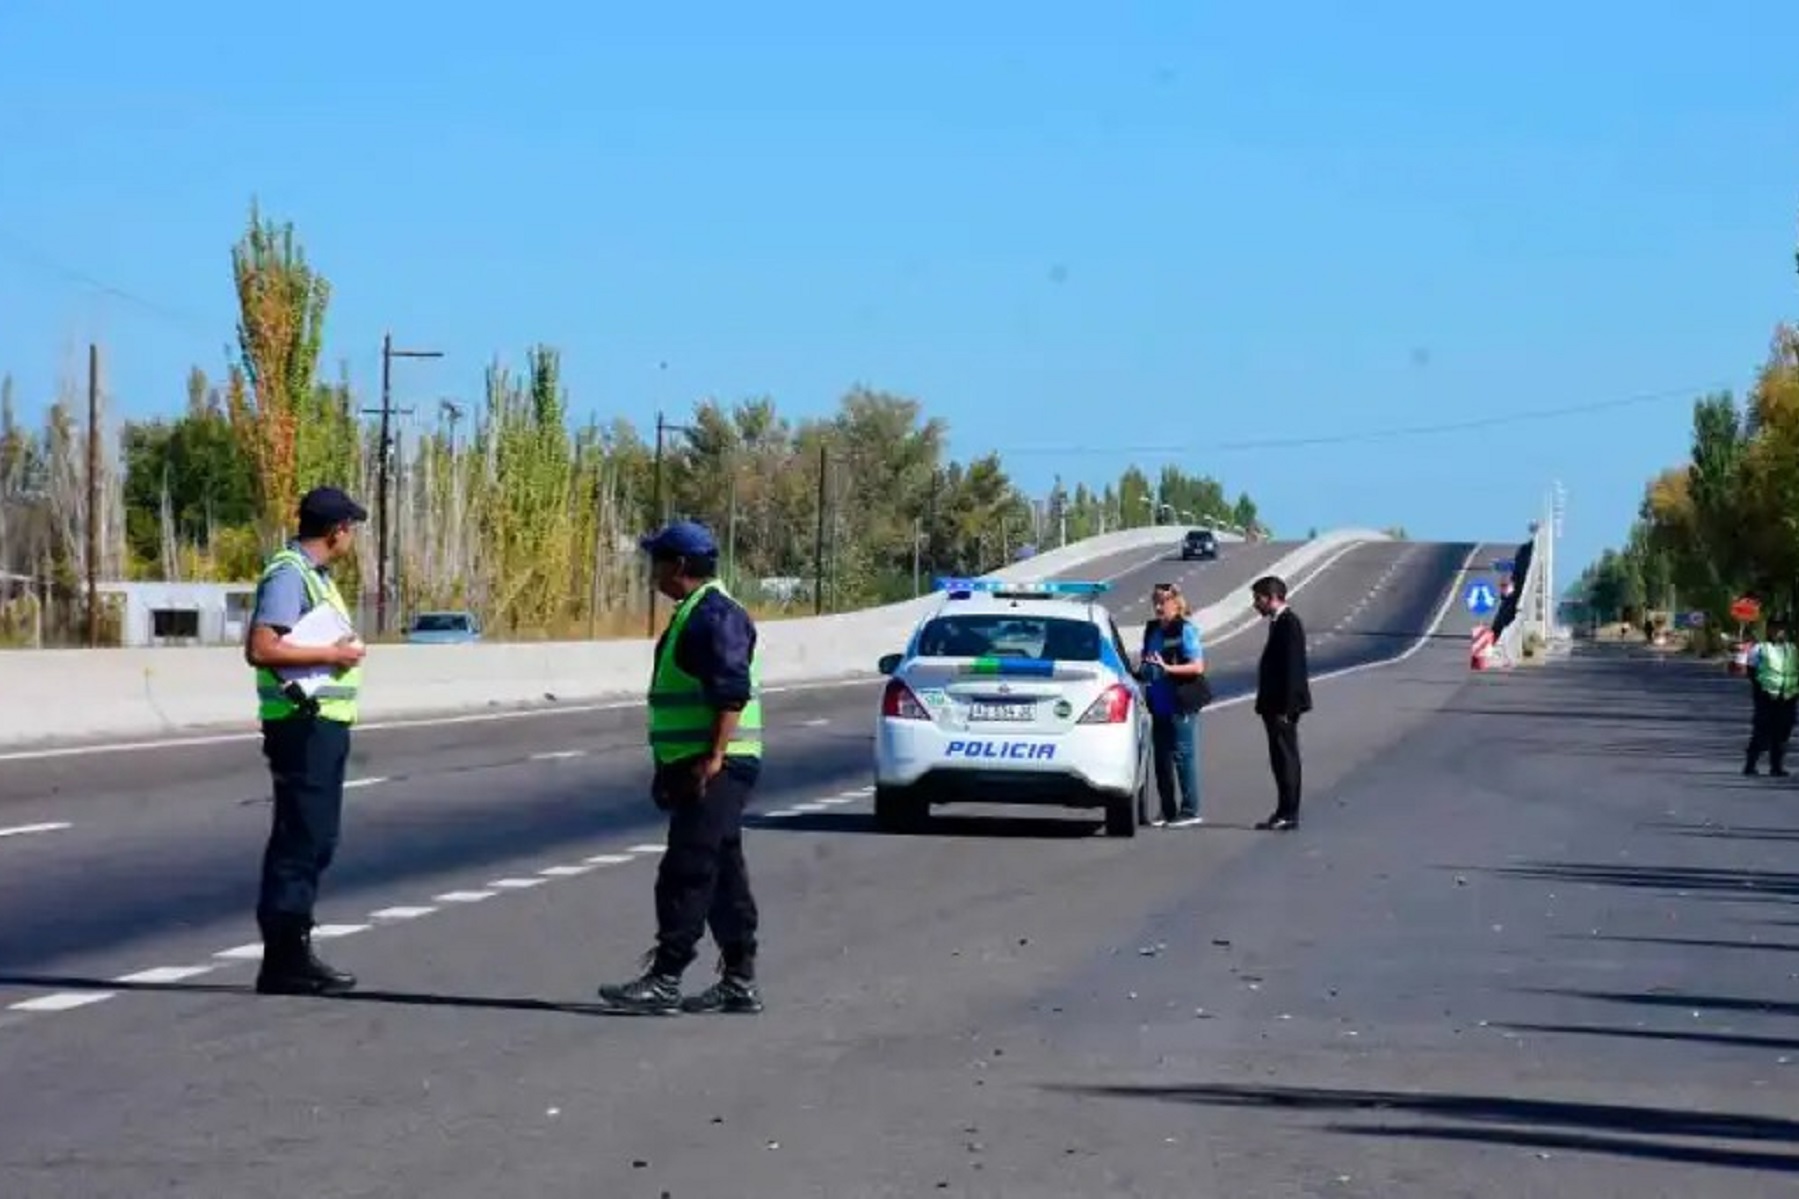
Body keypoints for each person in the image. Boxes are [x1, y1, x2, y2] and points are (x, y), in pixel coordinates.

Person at [596, 519, 766, 1016]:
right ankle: (739, 978)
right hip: (700, 761)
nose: (653, 570)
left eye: (658, 560)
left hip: (719, 764)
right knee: (723, 870)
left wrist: (713, 757)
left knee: (687, 868)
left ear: (681, 565)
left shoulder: (713, 615)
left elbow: (731, 690)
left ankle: (665, 978)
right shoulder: (696, 611)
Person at [242, 486, 369, 995]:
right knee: (302, 837)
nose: (352, 537)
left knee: (315, 837)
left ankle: (292, 951)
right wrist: (332, 655)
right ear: (337, 531)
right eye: (350, 529)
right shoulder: (289, 574)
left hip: (321, 722)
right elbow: (261, 647)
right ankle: (284, 958)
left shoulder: (314, 578)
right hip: (301, 721)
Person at [1140, 582, 1207, 826]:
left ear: (1176, 603)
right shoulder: (1152, 630)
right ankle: (1167, 810)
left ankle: (1190, 809)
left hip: (1180, 699)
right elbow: (1147, 661)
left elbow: (1197, 666)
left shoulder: (1185, 629)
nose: (1158, 607)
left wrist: (1168, 669)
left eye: (1163, 602)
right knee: (1161, 757)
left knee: (1182, 754)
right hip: (1158, 700)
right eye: (1155, 602)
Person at [1250, 575, 1311, 831]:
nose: (1256, 605)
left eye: (1258, 599)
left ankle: (1289, 812)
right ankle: (1282, 810)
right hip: (1274, 705)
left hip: (1283, 707)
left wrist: (1288, 708)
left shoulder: (1289, 623)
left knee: (1286, 758)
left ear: (1273, 597)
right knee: (1278, 758)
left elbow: (1293, 668)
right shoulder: (1278, 623)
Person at [1744, 614, 1798, 777]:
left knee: (1783, 733)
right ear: (1768, 629)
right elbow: (1751, 671)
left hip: (1788, 697)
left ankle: (1777, 767)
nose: (1778, 631)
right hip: (1766, 697)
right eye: (1775, 627)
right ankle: (1750, 765)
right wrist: (1762, 691)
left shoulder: (1792, 649)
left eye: (1781, 628)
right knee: (1762, 731)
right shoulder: (1760, 648)